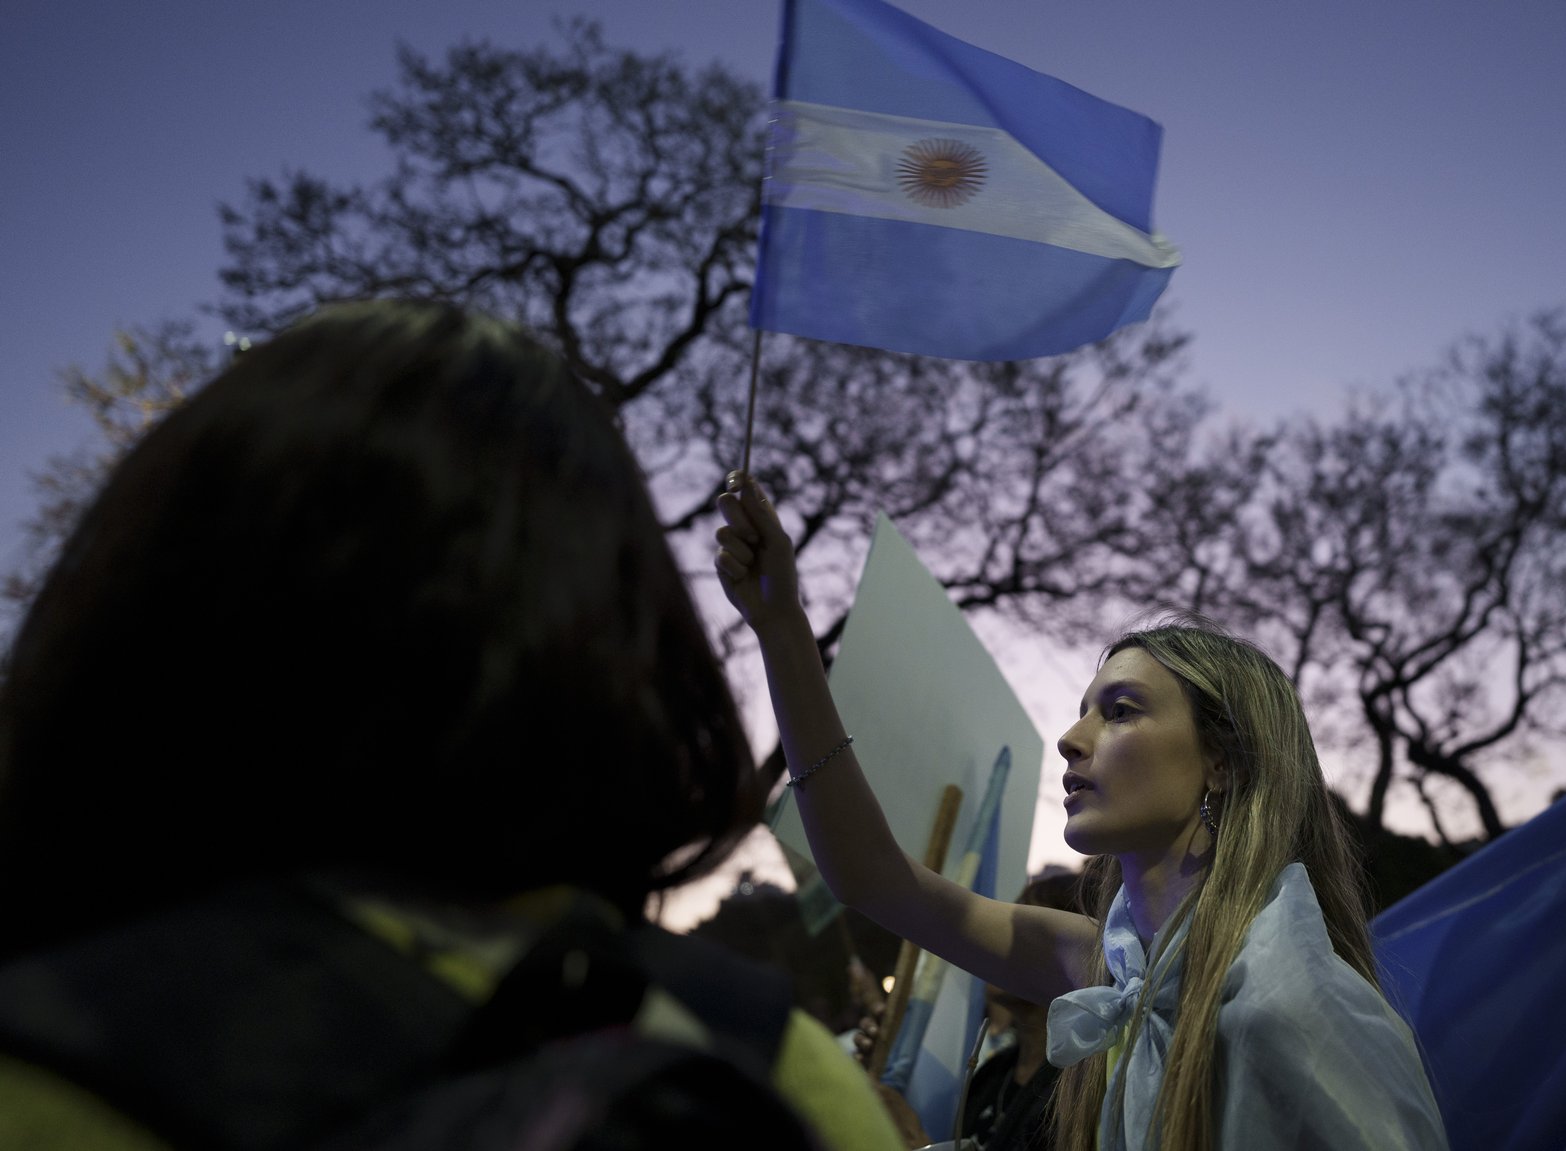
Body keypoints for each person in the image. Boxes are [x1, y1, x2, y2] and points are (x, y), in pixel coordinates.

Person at [0, 301, 899, 1151]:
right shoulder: (774, 1074)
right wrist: (782, 630)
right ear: (619, 649)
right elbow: (876, 881)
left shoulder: (44, 1072)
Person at [714, 473, 1448, 1150]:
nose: (1071, 739)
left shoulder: (1299, 1009)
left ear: (1222, 760)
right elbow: (875, 878)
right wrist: (782, 631)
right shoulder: (1110, 969)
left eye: (1120, 711)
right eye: (1081, 712)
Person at [856, 870, 1081, 1151]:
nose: (1001, 938)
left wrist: (920, 1144)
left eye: (1027, 927)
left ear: (1076, 955)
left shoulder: (1079, 1089)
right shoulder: (992, 1074)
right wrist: (885, 1071)